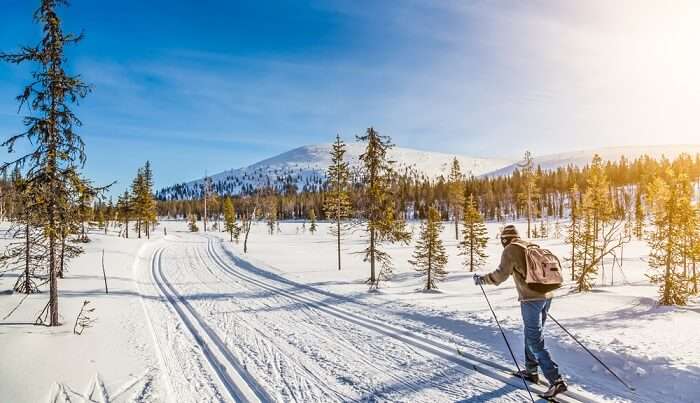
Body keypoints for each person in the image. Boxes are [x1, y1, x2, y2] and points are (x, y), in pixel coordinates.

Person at [474, 224, 567, 399]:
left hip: (531, 300)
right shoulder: (529, 245)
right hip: (547, 296)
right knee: (531, 335)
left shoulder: (510, 250)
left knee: (534, 339)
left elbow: (500, 276)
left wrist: (481, 280)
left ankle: (556, 381)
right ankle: (531, 371)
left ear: (504, 239)